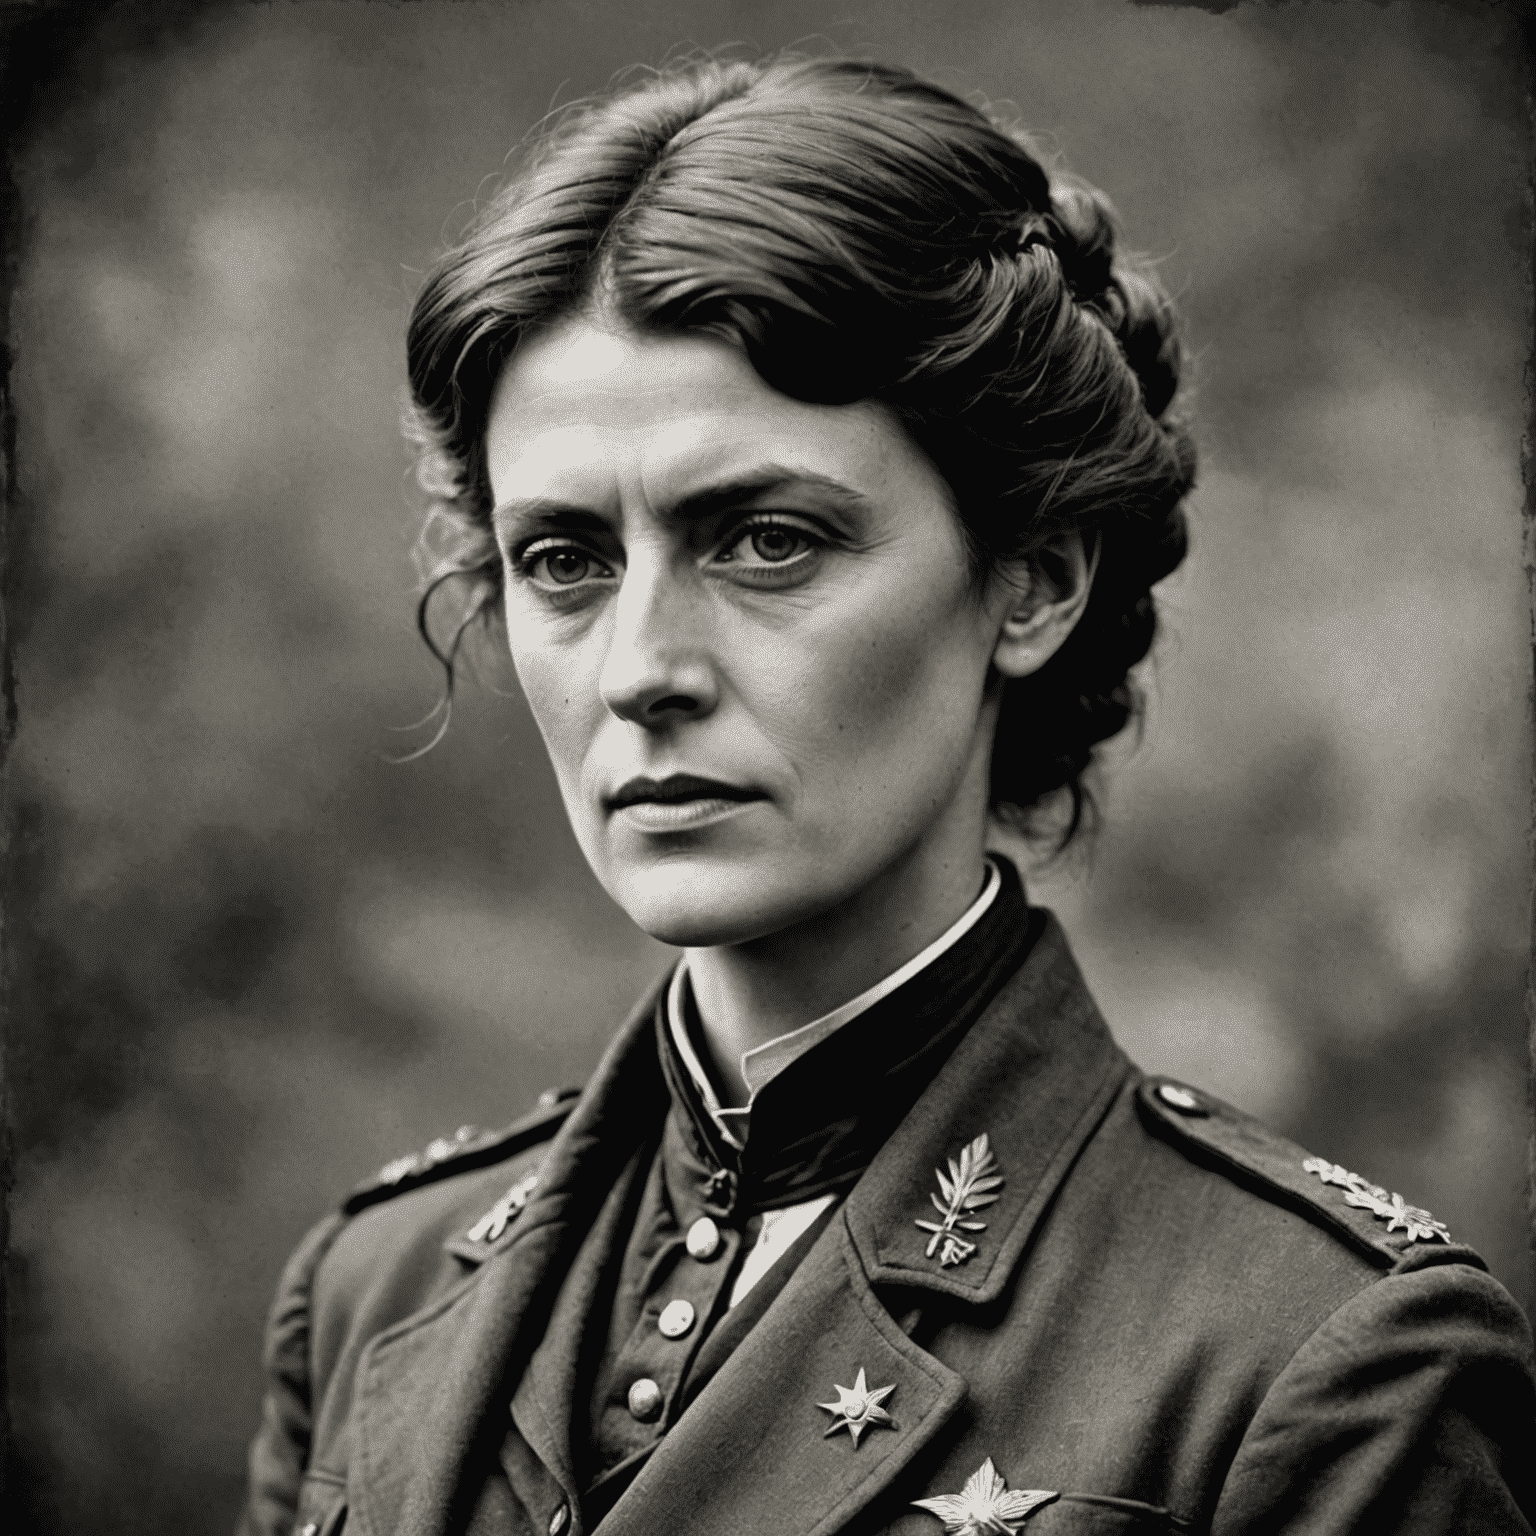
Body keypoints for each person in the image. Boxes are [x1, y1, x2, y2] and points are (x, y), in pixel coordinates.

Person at [238, 54, 1536, 1536]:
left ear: (1032, 580)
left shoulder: (1312, 1359)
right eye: (566, 561)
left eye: (769, 540)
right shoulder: (372, 1290)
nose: (641, 668)